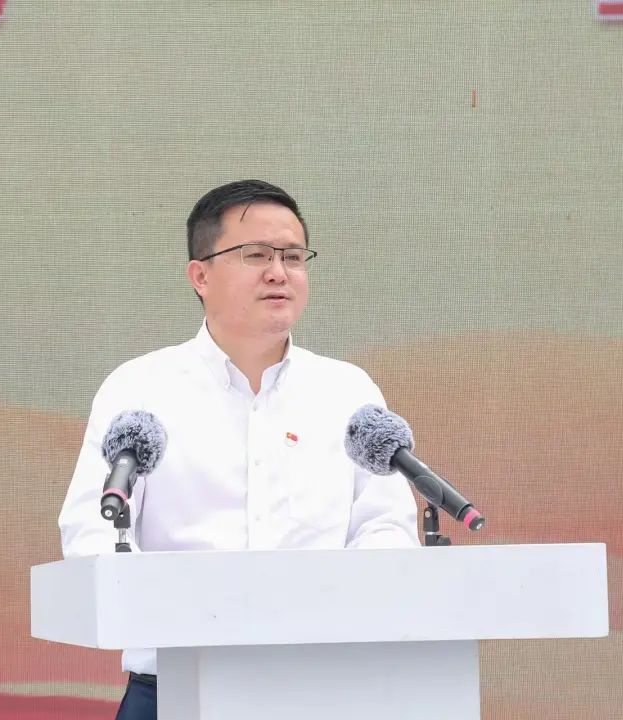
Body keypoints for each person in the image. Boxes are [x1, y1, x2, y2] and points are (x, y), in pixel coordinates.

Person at [58, 179, 419, 720]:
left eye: (293, 256)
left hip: (323, 687)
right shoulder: (140, 388)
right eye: (256, 255)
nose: (279, 272)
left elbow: (385, 527)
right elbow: (93, 533)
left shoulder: (347, 391)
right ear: (200, 275)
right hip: (176, 686)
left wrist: (333, 602)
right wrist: (189, 607)